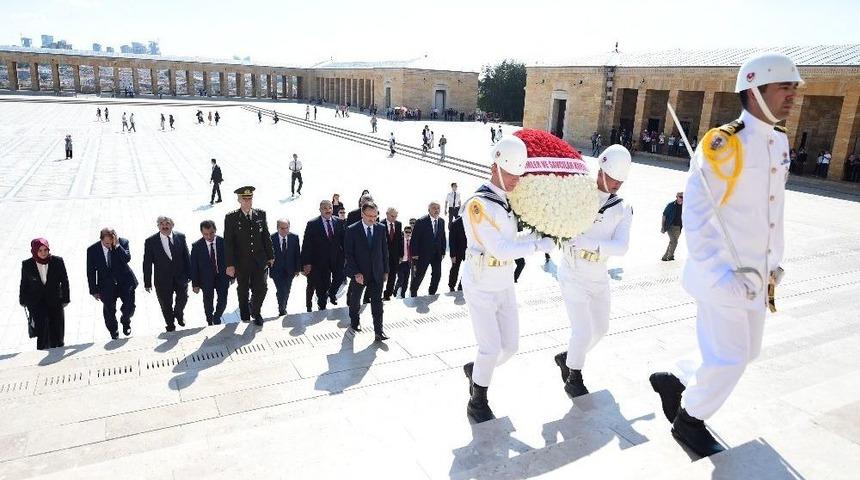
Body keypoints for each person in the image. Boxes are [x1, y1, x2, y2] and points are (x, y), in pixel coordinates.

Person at [650, 52, 801, 457]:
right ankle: (690, 420)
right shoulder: (724, 143)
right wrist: (719, 274)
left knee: (746, 353)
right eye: (783, 86)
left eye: (793, 87)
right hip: (723, 275)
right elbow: (696, 216)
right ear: (755, 90)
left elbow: (771, 210)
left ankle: (677, 379)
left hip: (756, 274)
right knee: (730, 358)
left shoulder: (779, 140)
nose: (791, 94)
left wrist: (773, 264)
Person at [461, 136, 556, 423]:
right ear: (496, 168)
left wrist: (540, 235)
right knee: (490, 347)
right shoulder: (478, 205)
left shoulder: (505, 202)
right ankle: (477, 401)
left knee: (511, 346)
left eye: (518, 175)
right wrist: (537, 246)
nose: (517, 181)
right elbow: (499, 248)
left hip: (504, 281)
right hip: (481, 282)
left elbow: (512, 239)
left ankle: (477, 370)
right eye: (513, 175)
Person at [553, 144, 633, 398]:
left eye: (621, 180)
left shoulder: (622, 207)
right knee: (583, 330)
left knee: (600, 328)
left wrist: (590, 243)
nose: (617, 184)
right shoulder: (578, 194)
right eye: (613, 178)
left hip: (598, 274)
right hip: (573, 271)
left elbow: (621, 247)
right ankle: (573, 376)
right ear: (600, 172)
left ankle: (569, 357)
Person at [223, 186, 275, 326]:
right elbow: (228, 243)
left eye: (250, 198)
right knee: (243, 290)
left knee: (262, 288)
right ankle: (245, 315)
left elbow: (266, 236)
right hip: (241, 262)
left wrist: (271, 256)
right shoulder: (231, 217)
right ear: (239, 200)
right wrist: (230, 265)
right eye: (244, 199)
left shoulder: (260, 214)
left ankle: (256, 311)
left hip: (259, 260)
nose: (247, 202)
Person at [343, 202, 389, 341]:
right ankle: (355, 322)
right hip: (359, 274)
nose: (372, 219)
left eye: (375, 216)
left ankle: (379, 331)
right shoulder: (352, 230)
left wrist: (386, 270)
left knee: (377, 302)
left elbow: (384, 251)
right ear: (362, 214)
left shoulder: (381, 228)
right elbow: (349, 255)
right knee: (355, 300)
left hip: (377, 272)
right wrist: (356, 273)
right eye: (369, 216)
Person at [86, 228, 138, 339]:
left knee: (130, 306)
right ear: (101, 240)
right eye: (106, 243)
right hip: (106, 285)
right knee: (109, 311)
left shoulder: (123, 242)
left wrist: (117, 246)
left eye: (111, 243)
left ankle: (125, 321)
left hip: (124, 281)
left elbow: (127, 259)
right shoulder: (92, 250)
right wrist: (93, 290)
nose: (109, 246)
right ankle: (113, 331)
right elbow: (90, 272)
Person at [143, 216, 191, 332]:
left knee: (183, 298)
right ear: (158, 226)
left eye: (167, 223)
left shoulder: (180, 237)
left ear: (172, 225)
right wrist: (147, 282)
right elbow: (147, 263)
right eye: (161, 223)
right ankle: (170, 325)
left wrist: (191, 274)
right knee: (165, 304)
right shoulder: (150, 241)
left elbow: (186, 256)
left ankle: (179, 314)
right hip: (162, 280)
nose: (165, 225)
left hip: (180, 277)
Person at [20, 238, 69, 350]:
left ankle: (58, 347)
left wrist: (66, 299)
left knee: (57, 328)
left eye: (45, 250)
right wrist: (22, 300)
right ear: (34, 251)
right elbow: (24, 283)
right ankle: (42, 349)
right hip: (36, 302)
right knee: (42, 328)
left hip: (55, 300)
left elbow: (64, 281)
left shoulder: (57, 261)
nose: (43, 253)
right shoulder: (27, 264)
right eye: (40, 250)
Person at [301, 200, 345, 311]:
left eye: (329, 207)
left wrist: (347, 255)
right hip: (320, 261)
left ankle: (332, 293)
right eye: (324, 208)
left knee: (340, 277)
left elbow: (344, 240)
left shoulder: (339, 222)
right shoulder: (312, 224)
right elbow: (307, 244)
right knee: (322, 286)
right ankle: (322, 305)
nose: (328, 210)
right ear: (320, 210)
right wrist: (306, 263)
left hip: (336, 258)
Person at [190, 220, 229, 325]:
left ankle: (217, 317)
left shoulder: (223, 242)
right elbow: (194, 267)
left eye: (211, 233)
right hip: (206, 279)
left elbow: (230, 259)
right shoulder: (196, 246)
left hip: (222, 277)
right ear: (202, 233)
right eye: (206, 234)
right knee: (208, 302)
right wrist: (195, 284)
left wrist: (233, 275)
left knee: (223, 301)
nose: (209, 236)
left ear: (215, 230)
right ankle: (209, 320)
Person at [409, 202, 446, 297]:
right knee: (420, 275)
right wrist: (415, 253)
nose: (436, 210)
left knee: (437, 275)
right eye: (434, 208)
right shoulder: (421, 221)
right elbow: (415, 238)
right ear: (429, 210)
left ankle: (432, 293)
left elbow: (443, 237)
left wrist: (443, 251)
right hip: (423, 254)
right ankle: (413, 292)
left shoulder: (442, 221)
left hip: (437, 254)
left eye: (438, 208)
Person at [270, 218, 301, 315]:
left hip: (290, 270)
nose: (285, 230)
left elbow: (297, 254)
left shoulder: (294, 237)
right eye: (282, 228)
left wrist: (297, 269)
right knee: (281, 290)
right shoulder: (271, 238)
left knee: (287, 290)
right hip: (277, 270)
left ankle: (283, 306)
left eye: (286, 228)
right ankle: (282, 309)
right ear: (277, 228)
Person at [380, 207, 403, 300]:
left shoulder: (398, 224)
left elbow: (399, 240)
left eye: (396, 216)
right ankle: (374, 295)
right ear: (387, 214)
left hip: (395, 256)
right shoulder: (380, 224)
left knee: (393, 276)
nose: (394, 218)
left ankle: (387, 295)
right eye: (392, 216)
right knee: (380, 277)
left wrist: (401, 255)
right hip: (383, 256)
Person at [661, 192, 684, 261]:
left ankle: (665, 257)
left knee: (672, 241)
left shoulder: (686, 205)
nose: (682, 199)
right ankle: (670, 256)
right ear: (676, 197)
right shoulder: (671, 205)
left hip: (679, 227)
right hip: (670, 226)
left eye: (683, 197)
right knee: (674, 241)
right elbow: (664, 215)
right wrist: (663, 226)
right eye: (680, 197)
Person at [448, 214, 466, 292]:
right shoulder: (455, 223)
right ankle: (451, 286)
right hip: (457, 251)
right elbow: (451, 241)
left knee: (468, 269)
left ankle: (461, 285)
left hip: (469, 251)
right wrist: (452, 255)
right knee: (455, 269)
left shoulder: (473, 221)